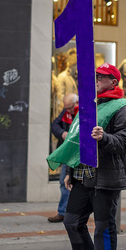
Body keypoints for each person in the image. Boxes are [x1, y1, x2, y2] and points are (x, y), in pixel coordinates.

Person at [47, 63, 126, 250]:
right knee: (71, 222)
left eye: (102, 77)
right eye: (95, 76)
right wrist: (70, 171)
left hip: (106, 179)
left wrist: (104, 138)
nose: (97, 79)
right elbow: (75, 140)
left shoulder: (123, 108)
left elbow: (125, 141)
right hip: (82, 176)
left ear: (114, 82)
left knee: (103, 229)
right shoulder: (88, 106)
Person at [47, 93, 79, 223]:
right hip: (68, 152)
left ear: (77, 103)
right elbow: (55, 125)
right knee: (64, 182)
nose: (69, 111)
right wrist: (62, 133)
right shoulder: (66, 112)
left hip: (79, 152)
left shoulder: (83, 111)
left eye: (70, 107)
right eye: (67, 108)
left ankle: (72, 212)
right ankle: (63, 211)